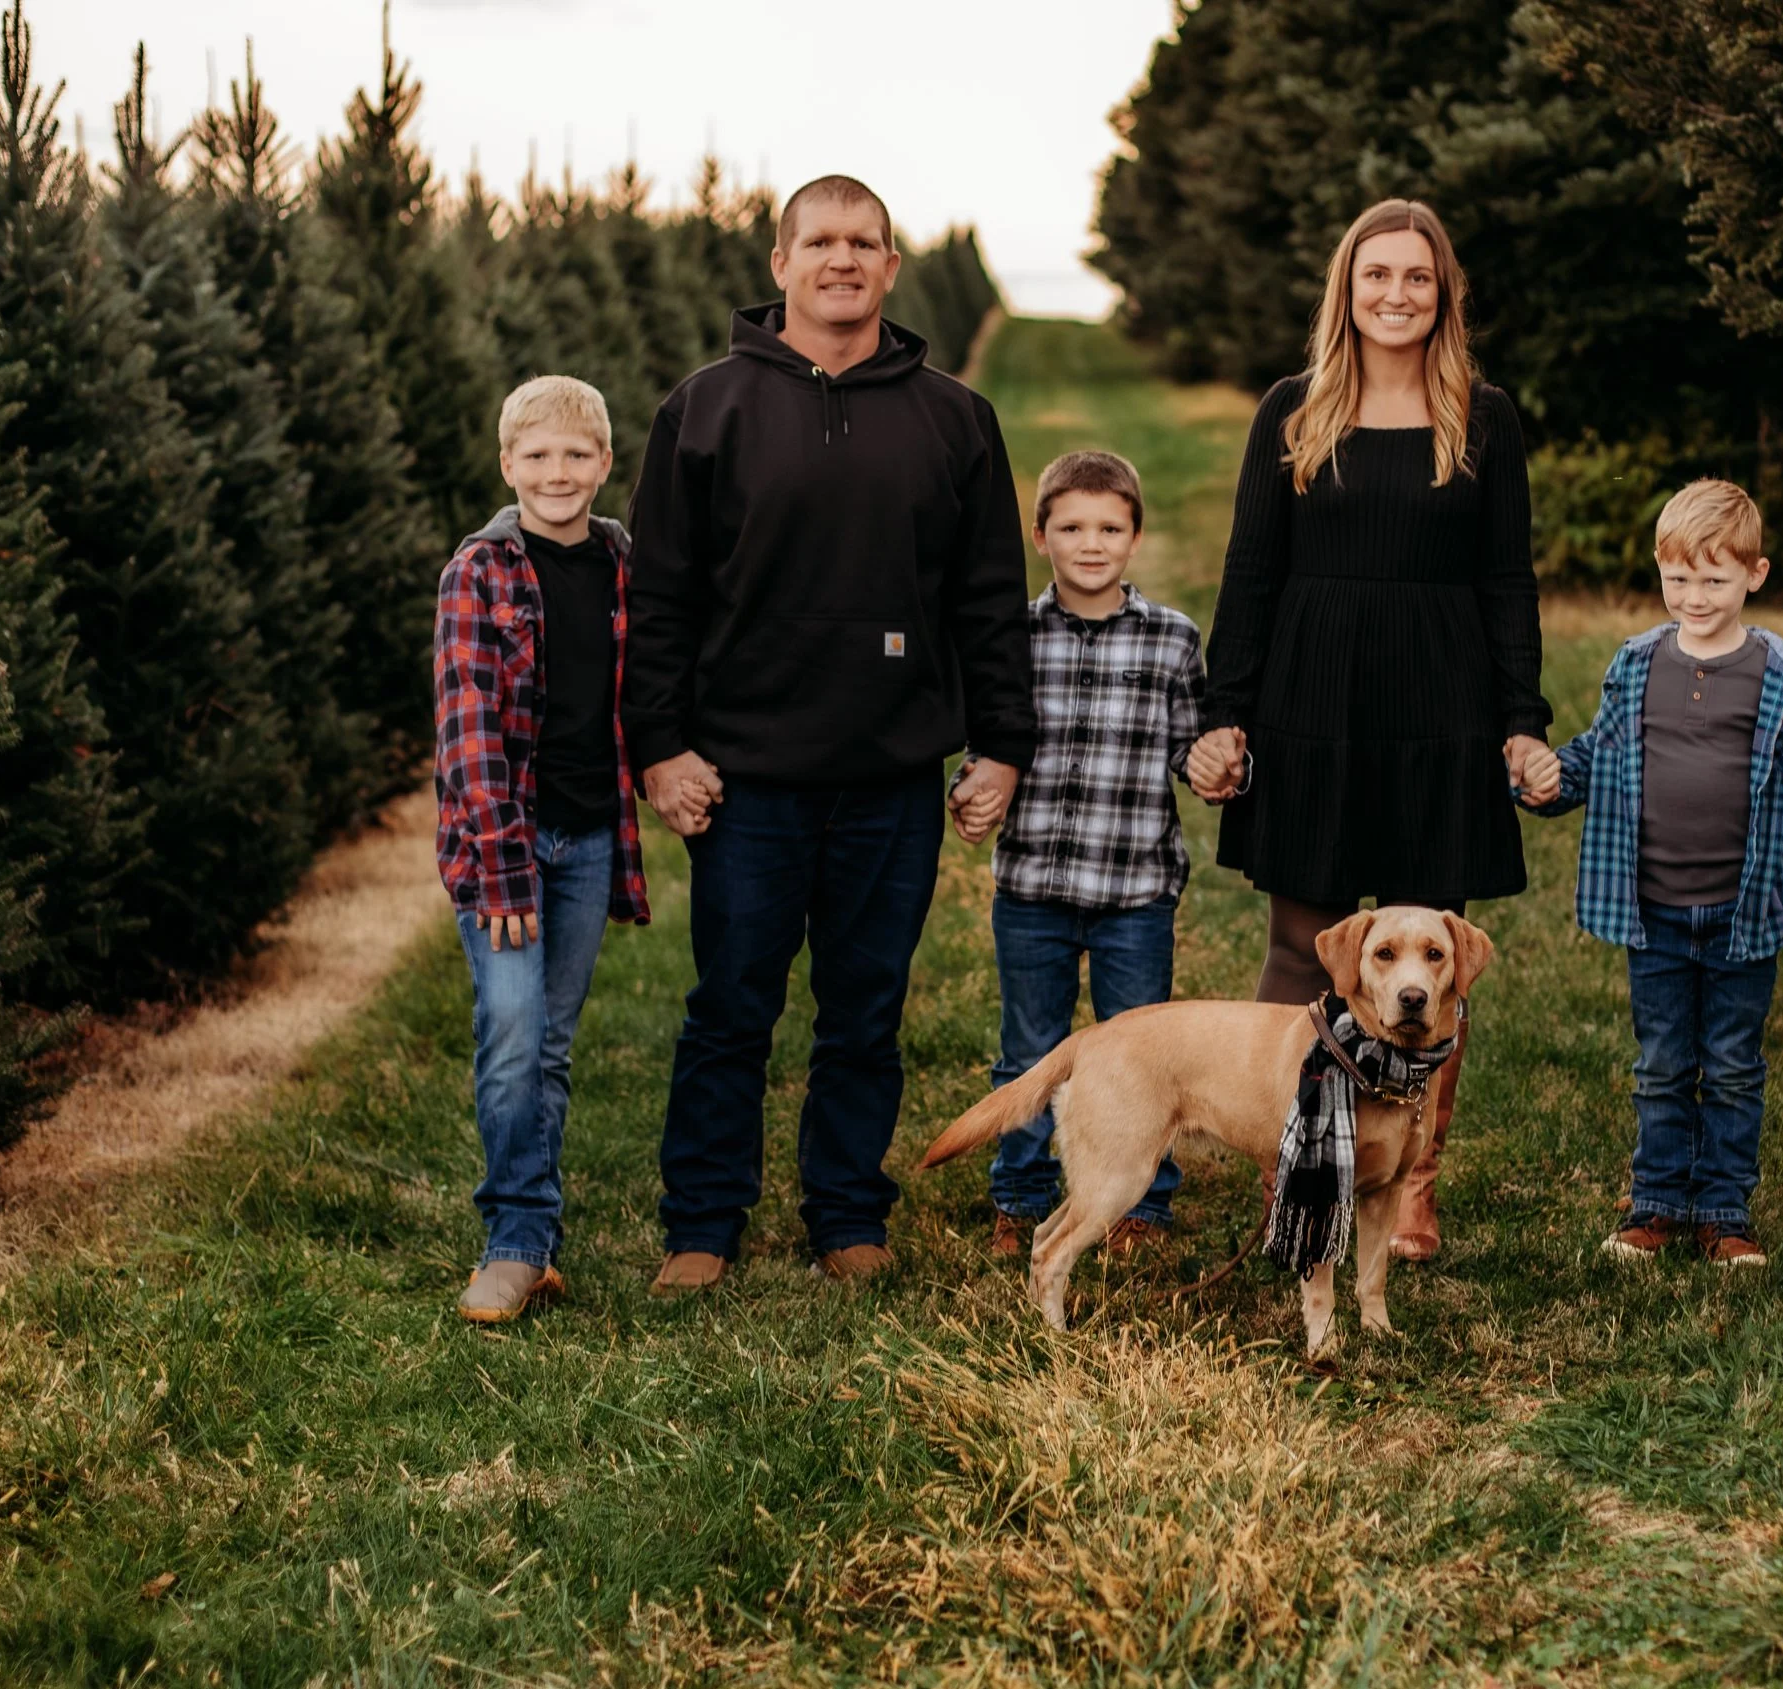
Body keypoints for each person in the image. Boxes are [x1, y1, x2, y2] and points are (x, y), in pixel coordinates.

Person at [622, 174, 1035, 1292]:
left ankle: (847, 1215)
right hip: (745, 780)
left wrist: (999, 745)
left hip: (889, 779)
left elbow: (989, 602)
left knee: (864, 1011)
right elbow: (660, 597)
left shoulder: (955, 419)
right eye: (821, 242)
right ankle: (702, 1224)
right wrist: (659, 747)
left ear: (892, 268)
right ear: (780, 264)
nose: (842, 259)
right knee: (730, 1010)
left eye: (864, 242)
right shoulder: (703, 410)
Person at [1188, 198, 1559, 1262]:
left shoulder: (1481, 416)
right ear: (1344, 291)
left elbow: (1507, 583)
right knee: (1304, 949)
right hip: (1312, 703)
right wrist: (1229, 715)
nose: (1395, 295)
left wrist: (1517, 719)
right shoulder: (1292, 411)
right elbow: (1251, 575)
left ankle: (1408, 1189)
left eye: (1417, 278)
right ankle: (1295, 1177)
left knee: (1421, 961)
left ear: (1443, 295)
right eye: (1376, 277)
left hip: (1441, 712)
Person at [1523, 479, 1783, 1267]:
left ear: (1755, 575)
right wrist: (1541, 779)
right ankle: (1658, 1203)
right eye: (1678, 577)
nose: (1694, 596)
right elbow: (1595, 759)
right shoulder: (1637, 665)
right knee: (1663, 1062)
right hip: (1656, 911)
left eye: (1715, 578)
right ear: (1659, 571)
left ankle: (1726, 1212)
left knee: (1734, 1066)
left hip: (1744, 916)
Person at [952, 450, 1220, 1259]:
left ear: (1136, 537)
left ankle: (1142, 1201)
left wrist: (1214, 763)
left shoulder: (1172, 639)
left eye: (1110, 527)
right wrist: (969, 790)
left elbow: (1188, 749)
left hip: (1135, 891)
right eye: (1072, 527)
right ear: (1041, 537)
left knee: (1140, 1053)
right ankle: (1021, 1192)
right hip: (1034, 886)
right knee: (1028, 1051)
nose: (1091, 543)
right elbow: (985, 745)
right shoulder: (1014, 638)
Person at [433, 375, 652, 1324]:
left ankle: (535, 1237)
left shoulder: (622, 564)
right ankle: (514, 1237)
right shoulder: (479, 572)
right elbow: (469, 735)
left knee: (550, 1045)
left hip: (591, 835)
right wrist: (506, 864)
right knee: (512, 1036)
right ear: (506, 466)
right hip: (507, 849)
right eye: (537, 457)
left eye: (576, 455)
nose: (557, 473)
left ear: (605, 463)